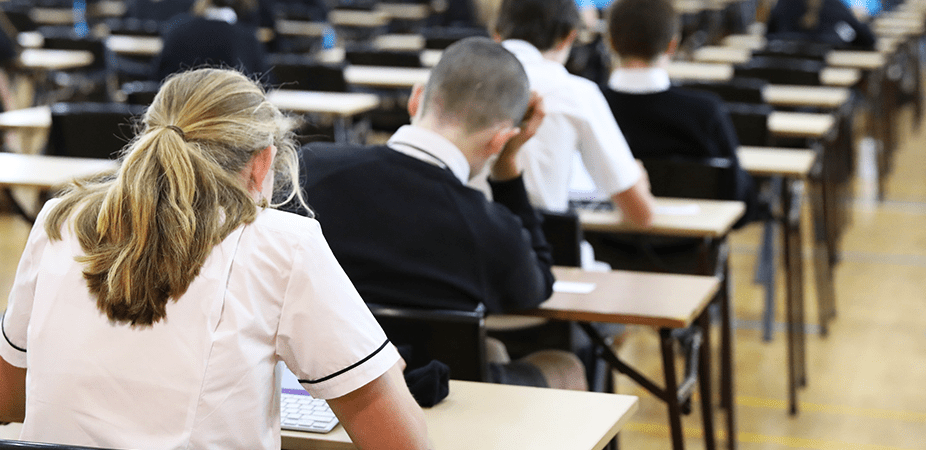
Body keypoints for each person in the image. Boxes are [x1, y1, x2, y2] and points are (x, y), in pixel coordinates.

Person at [0, 68, 430, 450]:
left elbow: (6, 402)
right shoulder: (281, 242)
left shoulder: (61, 219)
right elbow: (399, 441)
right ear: (264, 164)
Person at [296, 37, 586, 390]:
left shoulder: (310, 169)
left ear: (416, 98)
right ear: (500, 140)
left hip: (318, 388)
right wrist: (507, 168)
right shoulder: (488, 227)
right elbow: (536, 287)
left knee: (493, 349)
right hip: (435, 392)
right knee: (564, 365)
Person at [490, 0, 654, 228]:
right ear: (569, 36)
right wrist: (638, 178)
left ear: (495, 33)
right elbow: (641, 214)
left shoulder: (453, 82)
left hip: (461, 255)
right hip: (543, 250)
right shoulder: (576, 93)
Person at [601, 0, 755, 208]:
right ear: (672, 45)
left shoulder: (589, 104)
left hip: (603, 236)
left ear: (609, 42)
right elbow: (738, 194)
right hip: (692, 237)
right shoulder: (705, 113)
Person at [153, 0, 271, 82]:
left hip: (182, 113)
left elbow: (158, 76)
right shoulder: (247, 38)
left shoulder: (176, 30)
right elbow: (264, 84)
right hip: (229, 115)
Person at [766, 0, 876, 50]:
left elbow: (768, 37)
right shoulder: (834, 6)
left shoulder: (782, 5)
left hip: (783, 86)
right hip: (829, 87)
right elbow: (868, 40)